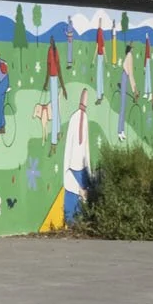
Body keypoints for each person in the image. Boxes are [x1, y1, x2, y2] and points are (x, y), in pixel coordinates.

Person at [62, 91, 93, 225]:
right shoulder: (75, 119)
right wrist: (78, 189)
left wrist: (89, 174)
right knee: (72, 213)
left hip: (82, 170)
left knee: (82, 211)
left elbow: (86, 148)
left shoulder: (84, 118)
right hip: (73, 170)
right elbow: (69, 150)